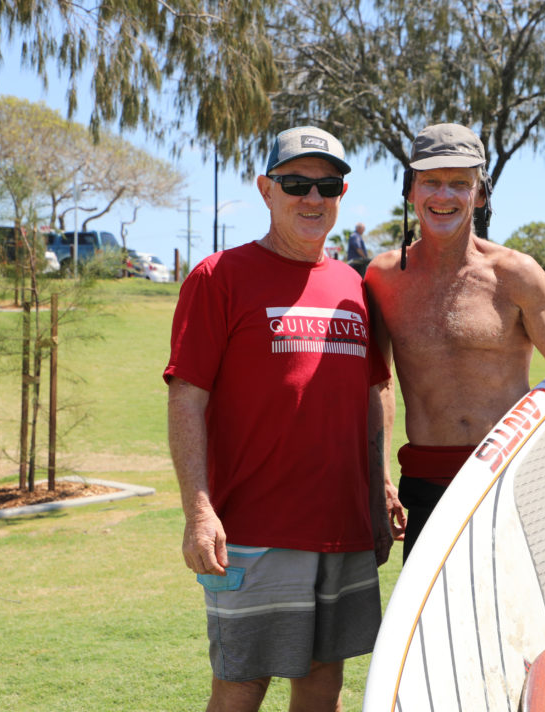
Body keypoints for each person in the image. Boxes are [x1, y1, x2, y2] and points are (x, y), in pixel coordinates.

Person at [165, 125, 393, 712]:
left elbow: (374, 391)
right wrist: (198, 510)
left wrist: (379, 487)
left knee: (323, 686)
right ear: (266, 189)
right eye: (296, 183)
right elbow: (187, 396)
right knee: (242, 687)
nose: (313, 199)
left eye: (328, 185)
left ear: (343, 194)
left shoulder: (353, 285)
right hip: (252, 532)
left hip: (341, 528)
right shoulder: (218, 277)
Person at [364, 123, 545, 562]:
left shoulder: (516, 276)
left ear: (481, 194)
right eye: (431, 182)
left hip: (511, 481)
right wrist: (378, 483)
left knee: (514, 629)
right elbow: (378, 387)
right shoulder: (383, 279)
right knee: (433, 629)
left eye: (460, 183)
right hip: (428, 489)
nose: (444, 195)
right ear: (410, 191)